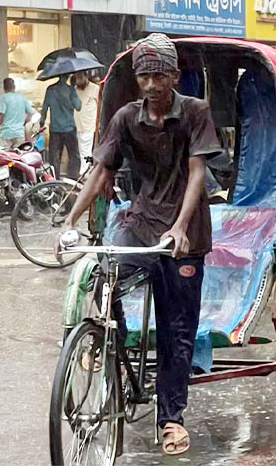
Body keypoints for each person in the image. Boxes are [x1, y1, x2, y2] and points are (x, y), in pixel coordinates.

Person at [59, 33, 220, 456]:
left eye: (159, 76)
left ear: (174, 76)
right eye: (144, 77)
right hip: (143, 221)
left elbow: (197, 172)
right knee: (104, 272)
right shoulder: (126, 117)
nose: (151, 84)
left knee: (175, 331)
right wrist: (70, 221)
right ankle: (106, 339)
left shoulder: (195, 112)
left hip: (185, 232)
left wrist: (180, 227)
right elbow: (101, 170)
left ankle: (171, 419)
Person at [41, 75, 82, 179]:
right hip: (69, 128)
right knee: (74, 155)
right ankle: (73, 177)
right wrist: (73, 88)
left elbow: (44, 108)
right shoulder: (70, 90)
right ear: (67, 76)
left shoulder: (50, 90)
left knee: (54, 157)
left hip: (55, 129)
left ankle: (55, 179)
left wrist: (42, 122)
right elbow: (78, 106)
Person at [0, 77, 34, 149]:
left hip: (6, 134)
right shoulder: (22, 98)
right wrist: (23, 123)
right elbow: (31, 113)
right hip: (19, 134)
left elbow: (0, 117)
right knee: (18, 155)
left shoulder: (3, 98)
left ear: (4, 88)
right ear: (14, 87)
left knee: (5, 155)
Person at [73, 71, 100, 173]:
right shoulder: (74, 90)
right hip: (77, 125)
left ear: (86, 76)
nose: (79, 80)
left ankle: (85, 172)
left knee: (86, 151)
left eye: (81, 77)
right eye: (77, 78)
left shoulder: (95, 89)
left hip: (89, 125)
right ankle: (84, 171)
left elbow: (100, 105)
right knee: (81, 151)